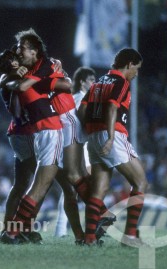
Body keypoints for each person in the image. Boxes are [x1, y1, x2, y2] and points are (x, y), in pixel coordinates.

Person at [0, 49, 82, 244]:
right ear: (13, 64)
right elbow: (16, 99)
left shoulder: (12, 79)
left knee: (28, 184)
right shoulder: (12, 79)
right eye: (16, 59)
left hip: (23, 133)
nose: (21, 60)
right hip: (28, 133)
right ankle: (17, 229)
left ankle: (16, 228)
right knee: (41, 184)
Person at [78, 48, 148, 247]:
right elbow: (112, 107)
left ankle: (90, 238)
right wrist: (109, 137)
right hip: (113, 135)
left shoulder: (99, 81)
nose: (136, 73)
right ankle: (130, 236)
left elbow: (81, 109)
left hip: (93, 136)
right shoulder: (121, 82)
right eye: (137, 68)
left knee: (99, 189)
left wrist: (90, 130)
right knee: (141, 182)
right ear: (129, 65)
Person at [54, 66, 96, 238]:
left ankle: (66, 229)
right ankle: (92, 223)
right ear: (82, 82)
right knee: (77, 186)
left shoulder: (76, 97)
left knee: (74, 188)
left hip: (79, 143)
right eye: (91, 80)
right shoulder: (79, 98)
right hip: (79, 144)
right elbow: (80, 121)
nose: (94, 83)